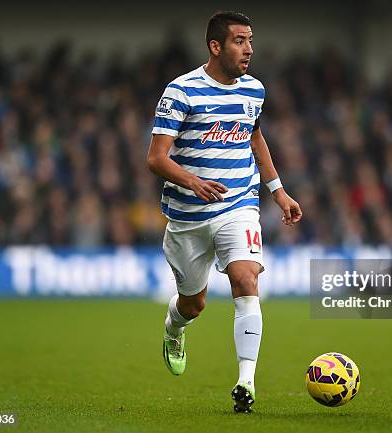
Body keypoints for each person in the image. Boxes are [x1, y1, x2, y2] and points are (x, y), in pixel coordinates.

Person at [147, 11, 302, 413]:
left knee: (246, 278)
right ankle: (173, 327)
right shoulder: (181, 92)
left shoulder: (254, 91)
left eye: (250, 40)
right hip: (187, 216)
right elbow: (155, 158)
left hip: (239, 205)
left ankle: (245, 382)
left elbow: (255, 138)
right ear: (215, 47)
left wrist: (278, 191)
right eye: (238, 41)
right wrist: (192, 182)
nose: (248, 49)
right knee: (193, 304)